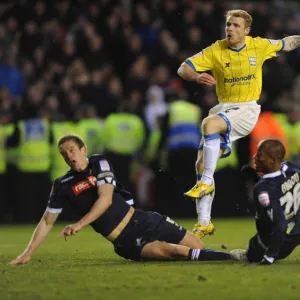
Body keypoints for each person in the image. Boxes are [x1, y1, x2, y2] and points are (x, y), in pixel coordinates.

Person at [9, 134, 234, 265]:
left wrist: (79, 224)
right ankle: (235, 257)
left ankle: (232, 257)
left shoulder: (99, 163)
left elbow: (105, 200)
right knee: (174, 252)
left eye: (72, 150)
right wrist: (27, 253)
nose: (69, 156)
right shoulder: (62, 185)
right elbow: (47, 221)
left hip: (144, 219)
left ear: (83, 149)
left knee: (198, 246)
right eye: (64, 154)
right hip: (126, 240)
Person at [177, 9, 300, 238]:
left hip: (247, 109)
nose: (230, 29)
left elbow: (286, 43)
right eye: (228, 25)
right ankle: (204, 222)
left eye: (235, 25)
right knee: (201, 163)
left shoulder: (259, 46)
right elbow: (183, 68)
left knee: (209, 124)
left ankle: (205, 183)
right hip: (224, 107)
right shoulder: (216, 50)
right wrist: (196, 76)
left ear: (246, 30)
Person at [231, 139, 300, 265]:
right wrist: (258, 179)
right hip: (296, 229)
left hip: (278, 242)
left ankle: (250, 254)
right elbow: (279, 187)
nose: (255, 157)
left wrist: (269, 257)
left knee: (253, 248)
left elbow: (280, 225)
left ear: (272, 160)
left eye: (259, 155)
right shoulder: (290, 167)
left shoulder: (262, 189)